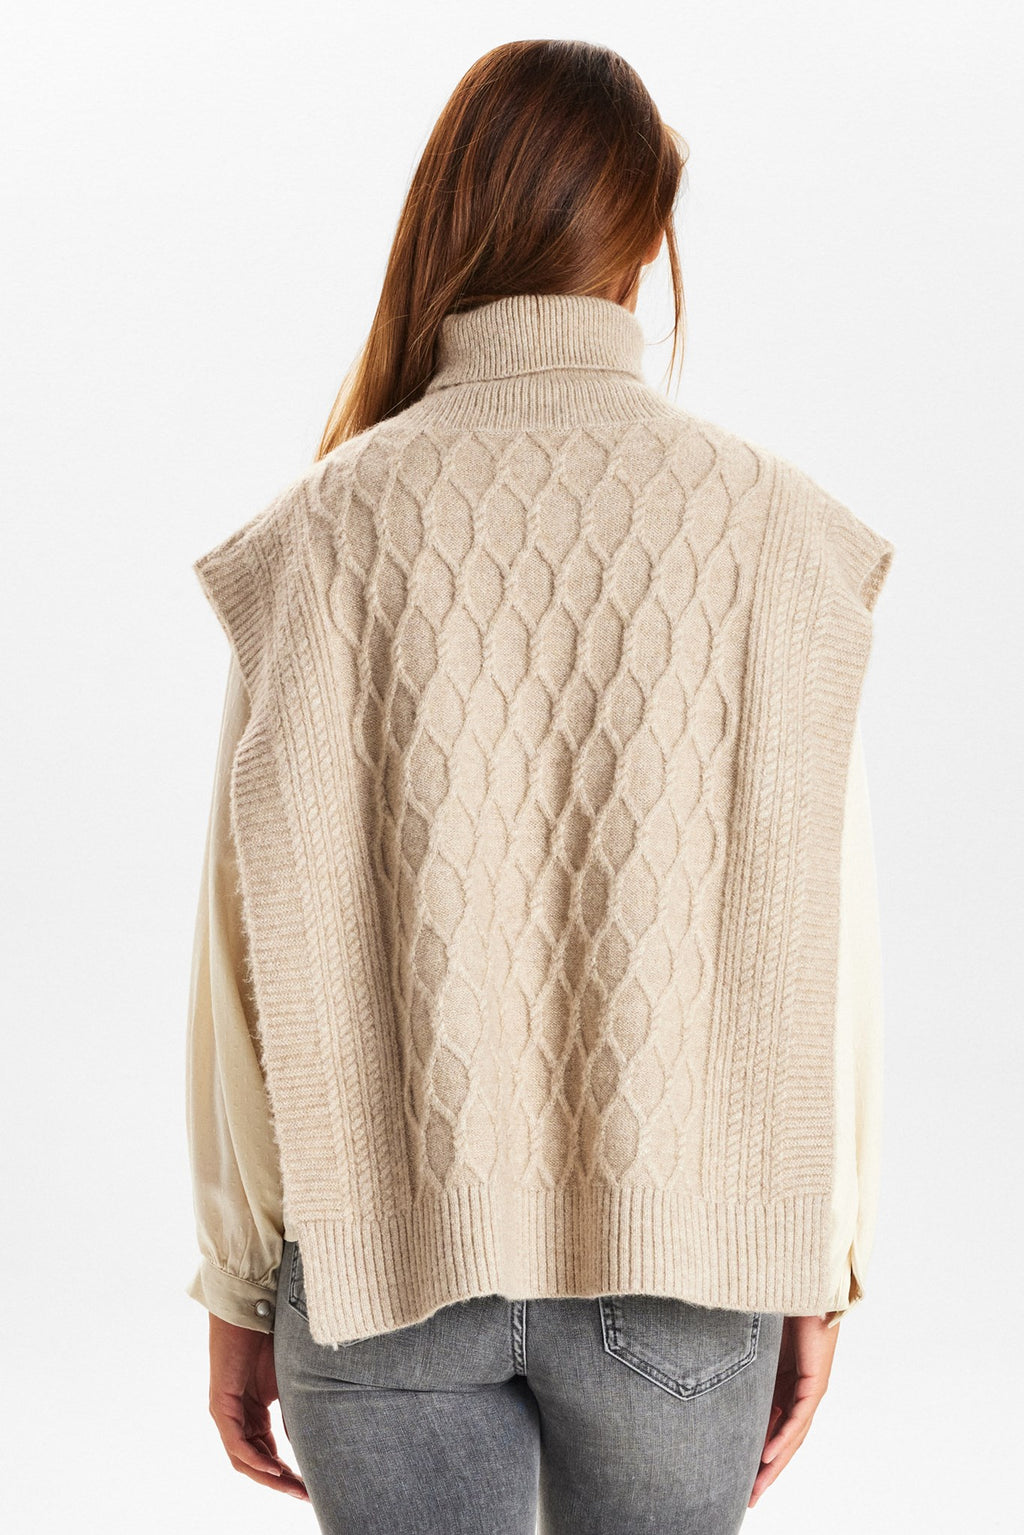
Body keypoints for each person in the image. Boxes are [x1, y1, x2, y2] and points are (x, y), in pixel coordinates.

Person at [184, 38, 894, 1535]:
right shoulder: (778, 536)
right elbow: (821, 941)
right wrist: (821, 1261)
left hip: (381, 1268)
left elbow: (243, 943)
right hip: (690, 1265)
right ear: (643, 243)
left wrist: (243, 1278)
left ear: (448, 219)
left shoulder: (323, 534)